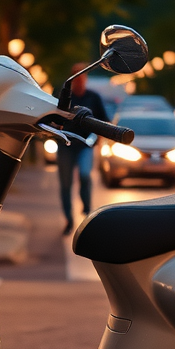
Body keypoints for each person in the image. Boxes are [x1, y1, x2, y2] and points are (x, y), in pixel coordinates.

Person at [56, 64, 109, 235]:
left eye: (82, 78)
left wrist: (98, 137)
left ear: (85, 79)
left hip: (85, 144)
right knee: (65, 184)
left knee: (85, 175)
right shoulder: (63, 98)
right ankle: (68, 220)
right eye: (76, 78)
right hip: (65, 146)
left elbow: (104, 121)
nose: (79, 82)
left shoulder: (93, 98)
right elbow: (51, 117)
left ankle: (86, 209)